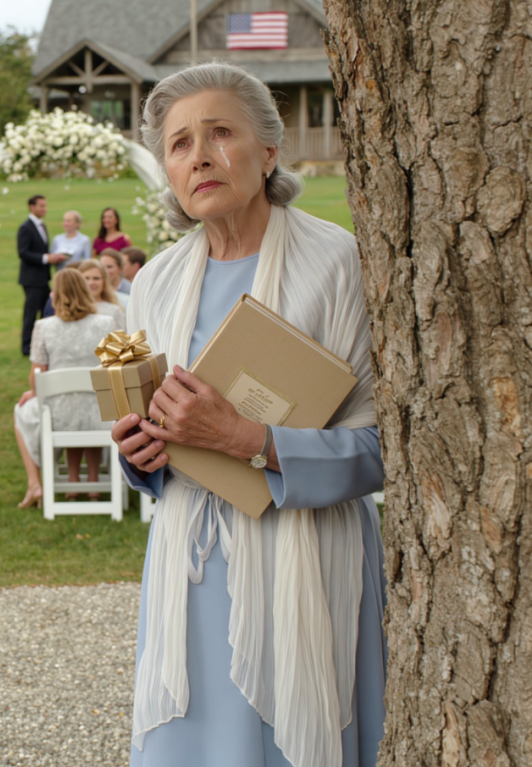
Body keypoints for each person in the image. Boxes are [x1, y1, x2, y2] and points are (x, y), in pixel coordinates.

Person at [112, 63, 385, 767]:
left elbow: (389, 445)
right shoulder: (154, 282)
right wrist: (139, 452)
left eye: (219, 132)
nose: (197, 155)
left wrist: (249, 439)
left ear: (269, 150)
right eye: (177, 144)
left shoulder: (340, 264)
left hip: (307, 565)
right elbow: (158, 438)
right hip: (190, 571)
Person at [13, 269, 115, 509]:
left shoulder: (44, 327)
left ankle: (35, 483)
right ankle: (89, 480)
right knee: (88, 407)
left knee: (20, 411)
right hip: (102, 415)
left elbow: (37, 376)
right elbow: (114, 369)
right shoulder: (106, 323)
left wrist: (34, 391)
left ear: (55, 295)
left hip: (58, 416)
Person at [17, 195, 67, 356]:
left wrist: (53, 257)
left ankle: (42, 343)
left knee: (47, 311)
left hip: (43, 278)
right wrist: (46, 258)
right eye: (41, 206)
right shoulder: (25, 227)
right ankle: (26, 347)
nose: (44, 209)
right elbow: (23, 252)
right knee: (30, 314)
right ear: (32, 207)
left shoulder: (42, 225)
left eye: (45, 206)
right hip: (31, 279)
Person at [78, 260, 125, 330]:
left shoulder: (115, 311)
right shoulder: (70, 310)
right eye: (86, 278)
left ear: (104, 282)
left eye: (96, 278)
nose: (91, 282)